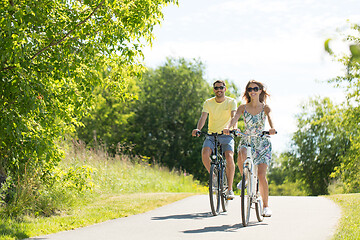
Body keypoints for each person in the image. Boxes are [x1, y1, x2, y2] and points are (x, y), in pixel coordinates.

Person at [224, 80, 276, 217]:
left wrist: (271, 129)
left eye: (255, 88)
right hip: (247, 139)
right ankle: (245, 178)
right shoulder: (243, 108)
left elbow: (270, 119)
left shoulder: (265, 108)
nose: (252, 91)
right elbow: (234, 119)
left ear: (260, 90)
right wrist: (228, 128)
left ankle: (266, 206)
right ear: (247, 91)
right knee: (241, 152)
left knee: (261, 175)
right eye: (250, 89)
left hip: (262, 142)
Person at [192, 80, 237, 200]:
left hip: (226, 134)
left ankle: (230, 189)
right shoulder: (208, 102)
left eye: (221, 87)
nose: (219, 90)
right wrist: (198, 128)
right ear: (214, 90)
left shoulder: (231, 102)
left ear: (225, 89)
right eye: (216, 88)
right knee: (205, 153)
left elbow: (234, 116)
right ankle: (214, 177)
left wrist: (233, 128)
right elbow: (203, 117)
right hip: (212, 134)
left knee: (229, 156)